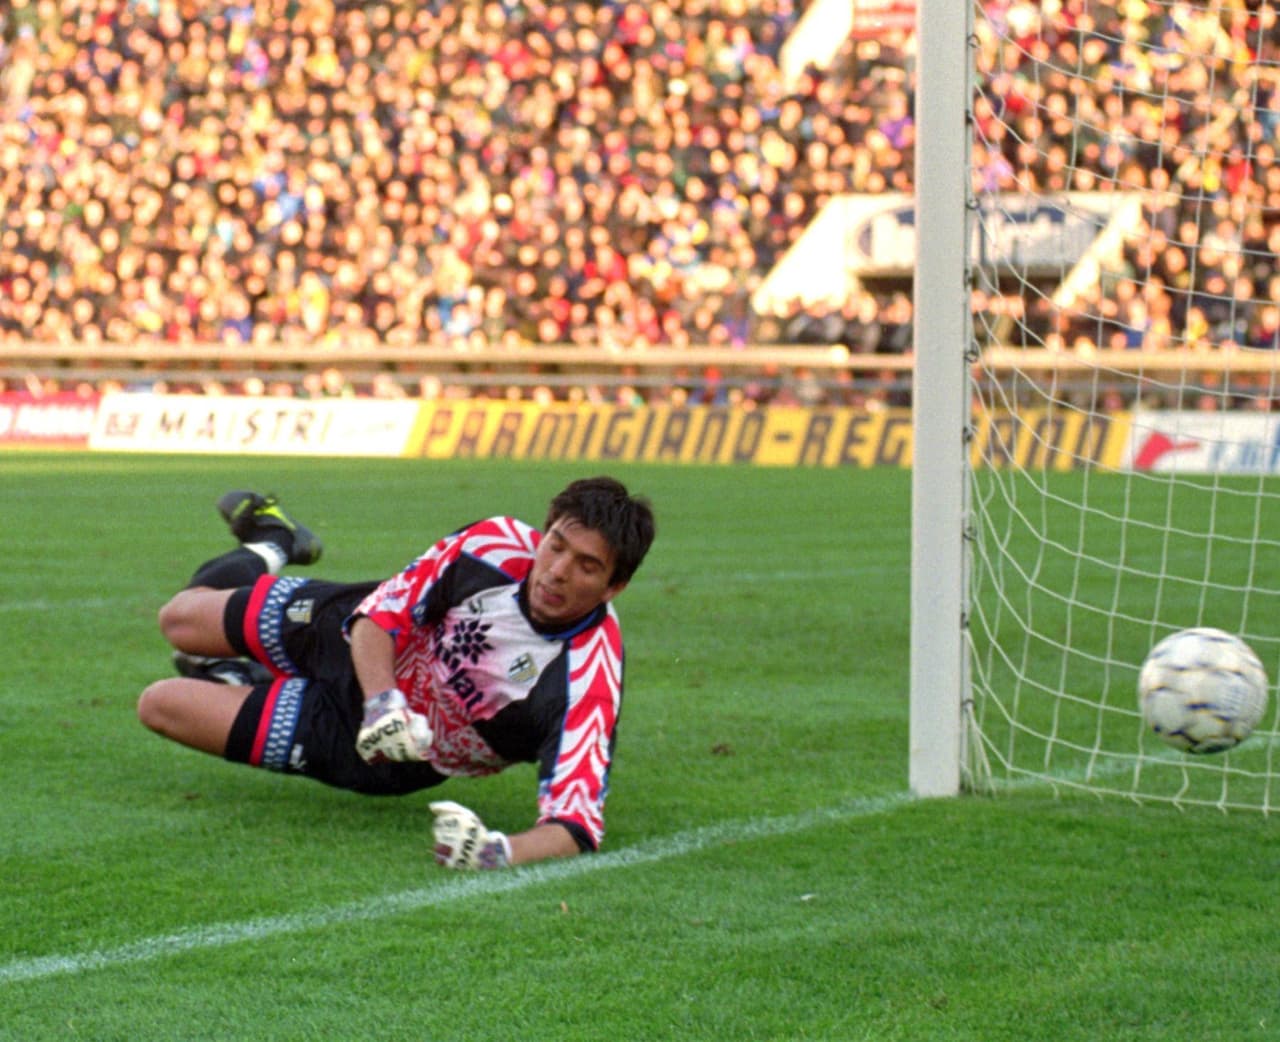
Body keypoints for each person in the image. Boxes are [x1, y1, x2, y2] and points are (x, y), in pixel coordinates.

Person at [137, 478, 656, 870]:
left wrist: (495, 852)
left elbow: (576, 825)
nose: (558, 571)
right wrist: (384, 703)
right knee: (178, 620)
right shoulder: (492, 545)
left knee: (160, 704)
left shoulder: (588, 680)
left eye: (587, 566)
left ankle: (239, 677)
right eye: (556, 545)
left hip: (378, 753)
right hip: (355, 639)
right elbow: (380, 615)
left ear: (614, 588)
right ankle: (275, 541)